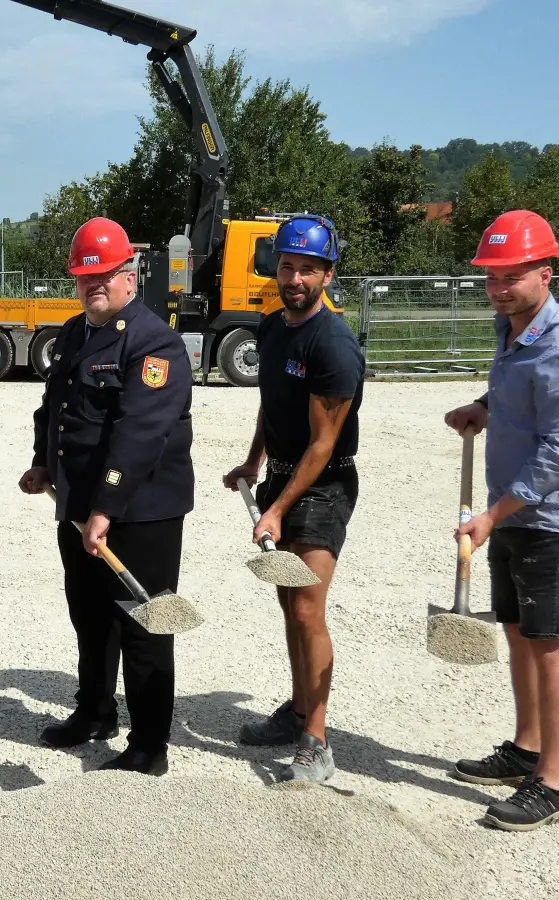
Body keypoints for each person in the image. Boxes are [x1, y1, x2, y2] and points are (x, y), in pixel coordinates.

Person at [443, 210, 559, 832]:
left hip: (554, 521)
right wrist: (483, 406)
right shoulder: (511, 327)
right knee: (516, 633)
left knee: (553, 645)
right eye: (491, 275)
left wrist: (492, 514)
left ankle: (550, 784)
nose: (500, 286)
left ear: (546, 270)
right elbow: (518, 397)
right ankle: (525, 748)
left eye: (513, 275)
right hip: (514, 514)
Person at [18, 217, 194, 775]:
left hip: (139, 512)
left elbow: (141, 434)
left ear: (129, 275)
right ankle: (94, 711)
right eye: (84, 276)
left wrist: (105, 509)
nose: (94, 285)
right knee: (89, 614)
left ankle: (148, 747)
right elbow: (57, 406)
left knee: (143, 623)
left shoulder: (155, 342)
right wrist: (44, 462)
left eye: (105, 274)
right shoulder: (74, 333)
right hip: (80, 505)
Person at [223, 213, 364, 786]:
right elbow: (272, 402)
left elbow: (324, 441)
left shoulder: (333, 342)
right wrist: (254, 461)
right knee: (289, 605)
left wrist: (278, 509)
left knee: (308, 609)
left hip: (324, 484)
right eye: (287, 266)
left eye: (308, 268)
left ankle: (318, 741)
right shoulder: (273, 327)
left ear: (328, 274)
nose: (296, 278)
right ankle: (300, 708)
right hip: (280, 475)